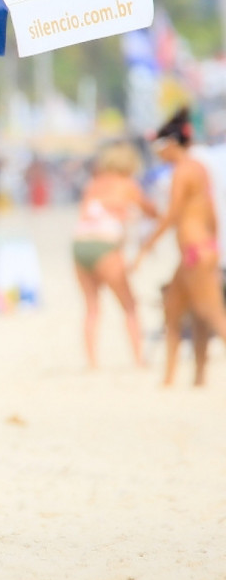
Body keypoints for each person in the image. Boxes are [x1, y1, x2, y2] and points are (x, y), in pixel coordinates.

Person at [134, 108, 226, 386]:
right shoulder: (201, 169)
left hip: (194, 252)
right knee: (177, 311)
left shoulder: (182, 171)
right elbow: (210, 214)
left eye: (159, 147)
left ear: (171, 144)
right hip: (201, 249)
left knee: (213, 314)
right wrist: (213, 245)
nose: (158, 154)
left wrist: (145, 247)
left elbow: (172, 214)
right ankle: (178, 378)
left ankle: (176, 378)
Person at [72, 142, 157, 370]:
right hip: (105, 245)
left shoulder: (93, 184)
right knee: (129, 306)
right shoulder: (128, 185)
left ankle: (91, 363)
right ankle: (139, 359)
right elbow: (153, 211)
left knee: (92, 307)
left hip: (79, 244)